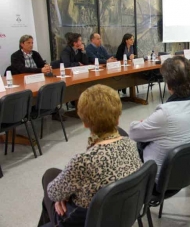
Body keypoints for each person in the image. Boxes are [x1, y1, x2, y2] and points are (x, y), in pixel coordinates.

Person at [38, 85, 142, 226]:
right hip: (121, 214)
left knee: (49, 178)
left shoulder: (83, 161)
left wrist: (62, 195)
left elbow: (53, 194)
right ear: (118, 118)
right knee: (54, 177)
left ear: (85, 123)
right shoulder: (131, 144)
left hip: (85, 221)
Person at [129, 56, 190, 181]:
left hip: (159, 178)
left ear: (169, 86)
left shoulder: (165, 114)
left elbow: (134, 134)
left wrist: (142, 123)